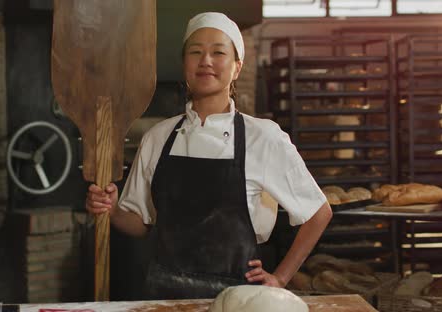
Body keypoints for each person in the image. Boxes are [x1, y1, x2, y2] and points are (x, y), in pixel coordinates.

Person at [86, 12, 332, 300]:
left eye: (218, 52)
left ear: (237, 67)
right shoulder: (158, 137)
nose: (206, 61)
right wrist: (112, 209)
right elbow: (141, 223)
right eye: (195, 52)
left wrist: (280, 277)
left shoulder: (264, 137)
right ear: (184, 65)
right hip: (165, 297)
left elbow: (318, 212)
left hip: (238, 300)